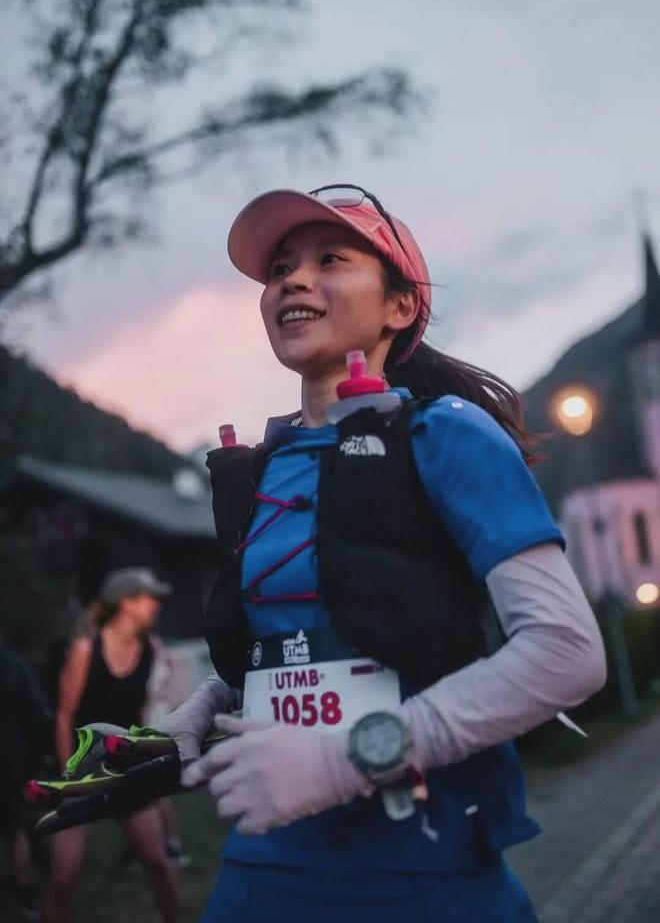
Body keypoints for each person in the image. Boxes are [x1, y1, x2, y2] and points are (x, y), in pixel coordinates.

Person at [158, 184, 607, 922]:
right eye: (279, 269)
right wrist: (192, 716)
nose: (292, 280)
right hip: (258, 874)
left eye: (330, 259)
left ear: (400, 307)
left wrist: (345, 759)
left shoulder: (443, 434)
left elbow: (567, 653)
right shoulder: (260, 469)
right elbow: (305, 651)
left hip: (420, 877)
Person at [42, 568, 179, 923]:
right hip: (83, 771)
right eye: (149, 598)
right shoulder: (86, 650)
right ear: (126, 603)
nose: (156, 606)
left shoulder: (150, 649)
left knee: (159, 865)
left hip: (127, 771)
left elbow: (163, 691)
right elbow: (63, 716)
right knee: (63, 880)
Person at [0, 641, 47, 918]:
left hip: (13, 759)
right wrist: (40, 756)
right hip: (15, 760)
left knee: (16, 827)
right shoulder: (15, 666)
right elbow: (36, 713)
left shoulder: (15, 667)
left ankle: (23, 889)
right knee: (18, 827)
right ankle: (25, 892)